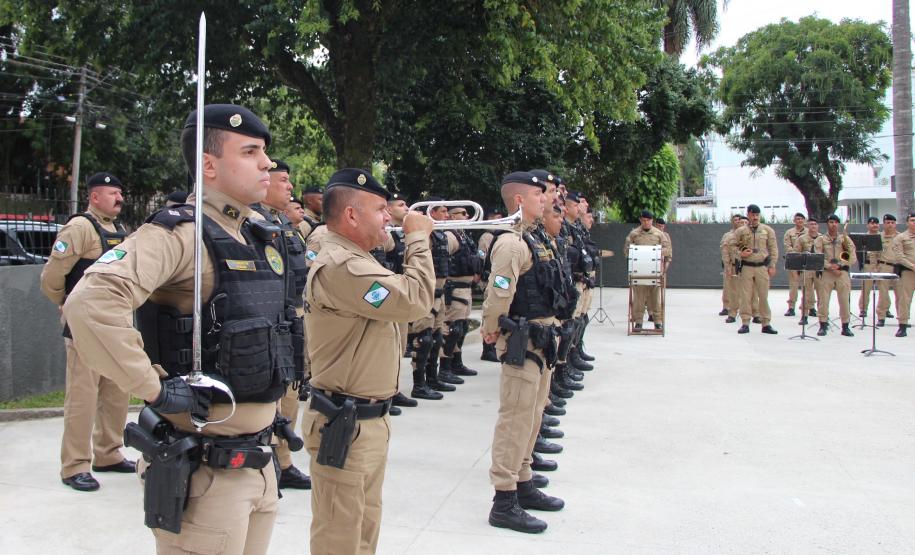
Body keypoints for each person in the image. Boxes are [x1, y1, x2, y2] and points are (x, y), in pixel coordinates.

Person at [64, 104, 288, 552]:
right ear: (209, 165)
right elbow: (90, 301)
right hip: (207, 475)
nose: (267, 163)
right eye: (250, 151)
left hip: (257, 464)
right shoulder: (182, 234)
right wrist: (154, 388)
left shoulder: (254, 235)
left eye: (264, 152)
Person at [303, 168, 434, 554]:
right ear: (351, 216)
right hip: (345, 423)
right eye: (380, 210)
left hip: (366, 420)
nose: (389, 218)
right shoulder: (344, 266)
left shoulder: (360, 259)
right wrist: (418, 238)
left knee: (363, 533)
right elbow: (414, 301)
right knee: (340, 538)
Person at [483, 171, 565, 534]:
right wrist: (490, 327)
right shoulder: (511, 244)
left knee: (533, 415)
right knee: (516, 418)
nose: (545, 199)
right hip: (522, 342)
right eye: (538, 193)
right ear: (519, 201)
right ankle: (504, 499)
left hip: (542, 339)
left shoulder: (534, 240)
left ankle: (524, 480)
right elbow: (498, 293)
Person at [40, 171, 133, 492]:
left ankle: (108, 453)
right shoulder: (80, 227)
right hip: (85, 326)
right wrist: (65, 304)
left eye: (120, 194)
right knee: (82, 396)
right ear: (94, 197)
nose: (119, 199)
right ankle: (75, 465)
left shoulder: (119, 230)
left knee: (117, 392)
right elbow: (53, 275)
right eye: (112, 194)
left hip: (115, 325)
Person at [250, 158, 312, 490]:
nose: (290, 186)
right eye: (283, 180)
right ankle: (266, 462)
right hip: (268, 323)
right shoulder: (251, 222)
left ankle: (284, 461)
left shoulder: (284, 223)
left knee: (290, 395)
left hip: (293, 319)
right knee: (268, 398)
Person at [408, 197, 457, 396]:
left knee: (437, 337)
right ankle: (419, 385)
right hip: (427, 293)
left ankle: (432, 378)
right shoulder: (424, 236)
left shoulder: (441, 235)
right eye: (443, 211)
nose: (447, 215)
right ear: (432, 213)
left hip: (439, 293)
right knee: (424, 339)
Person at [441, 205, 481, 379]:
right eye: (463, 213)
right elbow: (442, 261)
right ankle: (445, 367)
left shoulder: (463, 235)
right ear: (451, 216)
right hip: (455, 288)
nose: (467, 216)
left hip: (466, 288)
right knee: (452, 329)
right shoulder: (450, 236)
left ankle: (457, 362)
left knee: (462, 327)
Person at [728, 204, 778, 334]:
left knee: (763, 295)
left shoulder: (767, 230)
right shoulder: (740, 231)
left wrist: (772, 265)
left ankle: (766, 322)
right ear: (748, 214)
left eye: (757, 215)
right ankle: (745, 322)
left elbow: (773, 248)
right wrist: (740, 254)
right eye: (753, 215)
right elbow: (732, 247)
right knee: (745, 296)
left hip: (762, 266)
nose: (755, 217)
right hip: (747, 267)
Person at [623, 210, 670, 331]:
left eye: (648, 220)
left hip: (654, 271)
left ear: (652, 220)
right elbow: (626, 251)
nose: (646, 222)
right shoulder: (634, 234)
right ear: (640, 220)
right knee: (639, 298)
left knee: (656, 298)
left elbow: (667, 249)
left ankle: (658, 321)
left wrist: (655, 253)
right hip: (639, 271)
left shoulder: (659, 234)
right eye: (643, 220)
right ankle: (638, 322)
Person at [813, 214, 857, 336]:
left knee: (844, 300)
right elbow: (818, 256)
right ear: (827, 224)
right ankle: (823, 324)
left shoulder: (844, 239)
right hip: (827, 273)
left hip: (841, 273)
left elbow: (852, 255)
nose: (833, 224)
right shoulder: (820, 239)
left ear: (838, 224)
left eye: (836, 222)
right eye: (831, 222)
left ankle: (845, 325)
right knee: (823, 300)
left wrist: (841, 265)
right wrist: (830, 267)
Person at [478, 206, 505, 363]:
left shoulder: (500, 235)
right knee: (490, 309)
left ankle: (493, 345)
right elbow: (481, 258)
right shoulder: (487, 237)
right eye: (495, 217)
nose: (498, 220)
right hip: (490, 278)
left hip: (499, 278)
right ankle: (487, 348)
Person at [891, 213, 915, 337]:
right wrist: (912, 266)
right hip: (908, 273)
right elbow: (899, 256)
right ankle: (902, 326)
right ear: (907, 222)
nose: (914, 222)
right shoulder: (900, 238)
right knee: (904, 300)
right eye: (912, 220)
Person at [795, 217, 821, 324]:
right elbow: (796, 252)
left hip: (819, 269)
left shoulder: (822, 238)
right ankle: (804, 316)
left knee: (822, 294)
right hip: (807, 269)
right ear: (807, 225)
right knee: (806, 293)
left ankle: (823, 316)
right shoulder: (802, 238)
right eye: (811, 224)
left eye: (815, 224)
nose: (813, 226)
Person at [876, 214, 899, 327]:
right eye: (888, 222)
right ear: (884, 224)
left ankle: (902, 318)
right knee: (883, 294)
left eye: (892, 223)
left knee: (901, 294)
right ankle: (881, 317)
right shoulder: (879, 237)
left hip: (898, 267)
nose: (890, 225)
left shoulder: (901, 237)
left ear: (895, 224)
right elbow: (873, 254)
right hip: (884, 267)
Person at [857, 216, 882, 318]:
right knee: (866, 288)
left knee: (883, 289)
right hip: (868, 265)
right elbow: (858, 252)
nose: (874, 225)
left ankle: (885, 308)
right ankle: (863, 309)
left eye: (876, 223)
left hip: (880, 264)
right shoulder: (864, 237)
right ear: (867, 225)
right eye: (872, 223)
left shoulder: (882, 236)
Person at [783, 213, 806, 316]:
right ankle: (791, 307)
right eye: (797, 219)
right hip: (793, 261)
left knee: (807, 285)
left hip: (806, 262)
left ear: (804, 220)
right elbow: (787, 245)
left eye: (801, 219)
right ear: (794, 221)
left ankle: (808, 307)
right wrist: (796, 254)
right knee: (793, 285)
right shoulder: (789, 232)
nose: (799, 221)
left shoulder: (809, 232)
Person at [720, 215, 741, 322]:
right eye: (735, 220)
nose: (737, 222)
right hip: (730, 265)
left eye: (739, 220)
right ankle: (726, 307)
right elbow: (723, 249)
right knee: (728, 287)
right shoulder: (728, 235)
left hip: (742, 266)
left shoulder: (745, 234)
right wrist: (726, 264)